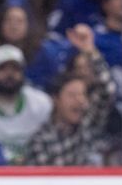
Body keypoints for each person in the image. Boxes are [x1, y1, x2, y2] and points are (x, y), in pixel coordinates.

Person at [25, 24, 115, 166]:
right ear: (56, 99)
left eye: (83, 95)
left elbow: (107, 90)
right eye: (72, 95)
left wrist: (90, 51)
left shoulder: (89, 125)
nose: (80, 101)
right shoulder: (42, 141)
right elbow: (41, 184)